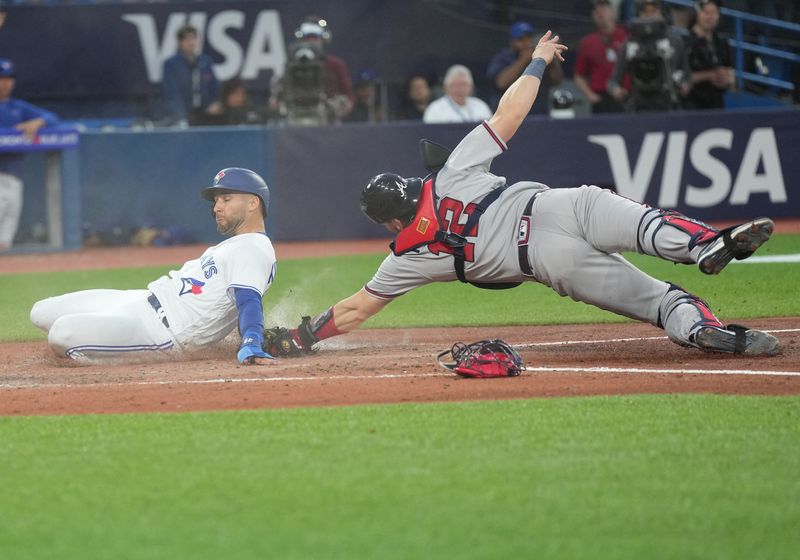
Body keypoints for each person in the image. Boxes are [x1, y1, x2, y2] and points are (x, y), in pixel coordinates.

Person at [267, 30, 779, 359]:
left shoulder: (409, 256)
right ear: (410, 186)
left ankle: (705, 331)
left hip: (547, 260)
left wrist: (303, 336)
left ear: (389, 223)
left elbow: (356, 310)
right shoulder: (449, 171)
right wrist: (536, 61)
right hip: (560, 204)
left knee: (656, 300)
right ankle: (703, 245)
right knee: (646, 223)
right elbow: (509, 115)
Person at [30, 168, 277, 366]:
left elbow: (248, 299)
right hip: (141, 301)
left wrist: (252, 340)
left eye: (226, 199)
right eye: (216, 201)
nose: (216, 207)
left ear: (253, 203)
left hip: (160, 333)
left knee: (61, 334)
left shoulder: (253, 249)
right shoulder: (235, 245)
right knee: (40, 312)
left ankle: (109, 356)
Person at [0, 58, 60, 253]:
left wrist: (36, 123)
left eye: (9, 78)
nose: (6, 83)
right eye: (2, 78)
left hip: (14, 175)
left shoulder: (17, 107)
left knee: (5, 238)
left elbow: (53, 118)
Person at [607, 0, 692, 112]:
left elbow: (687, 75)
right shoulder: (629, 44)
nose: (650, 15)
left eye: (654, 11)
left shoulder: (675, 42)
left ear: (662, 14)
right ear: (639, 15)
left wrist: (686, 86)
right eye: (645, 12)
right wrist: (616, 91)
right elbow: (613, 81)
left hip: (669, 104)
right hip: (638, 105)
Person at [271, 17, 354, 125]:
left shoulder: (336, 65)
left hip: (327, 118)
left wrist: (337, 108)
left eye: (315, 38)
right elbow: (278, 96)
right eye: (308, 38)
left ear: (323, 39)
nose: (311, 42)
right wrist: (277, 101)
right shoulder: (291, 65)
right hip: (295, 116)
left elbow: (348, 96)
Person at [486, 21, 564, 113]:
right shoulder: (502, 58)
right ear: (512, 42)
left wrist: (551, 63)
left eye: (529, 38)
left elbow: (557, 81)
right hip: (509, 114)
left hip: (539, 113)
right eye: (521, 39)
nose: (526, 42)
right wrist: (523, 60)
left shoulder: (538, 56)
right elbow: (501, 83)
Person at [573, 0, 629, 113]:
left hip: (626, 94)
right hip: (601, 97)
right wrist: (590, 95)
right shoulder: (588, 42)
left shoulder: (627, 37)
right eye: (596, 11)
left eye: (603, 9)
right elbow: (579, 76)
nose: (600, 14)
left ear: (612, 12)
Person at [161, 24, 220, 126]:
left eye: (193, 38)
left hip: (205, 113)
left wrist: (214, 103)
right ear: (180, 42)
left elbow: (214, 85)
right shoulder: (171, 64)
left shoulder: (205, 62)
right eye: (187, 39)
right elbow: (172, 92)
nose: (191, 42)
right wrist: (180, 116)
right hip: (184, 114)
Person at [685, 0, 734, 110]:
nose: (710, 17)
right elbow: (683, 77)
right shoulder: (685, 42)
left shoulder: (721, 42)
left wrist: (726, 79)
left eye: (714, 13)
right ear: (697, 13)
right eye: (706, 13)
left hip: (717, 104)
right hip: (692, 105)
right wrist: (709, 75)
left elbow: (731, 74)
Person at [423, 65, 492, 124]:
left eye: (464, 85)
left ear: (471, 87)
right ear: (446, 87)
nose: (460, 89)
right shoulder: (434, 109)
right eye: (455, 85)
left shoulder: (481, 106)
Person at [198, 78, 263, 126]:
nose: (241, 98)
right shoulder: (217, 113)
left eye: (243, 94)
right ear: (226, 95)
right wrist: (210, 115)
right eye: (236, 94)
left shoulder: (251, 112)